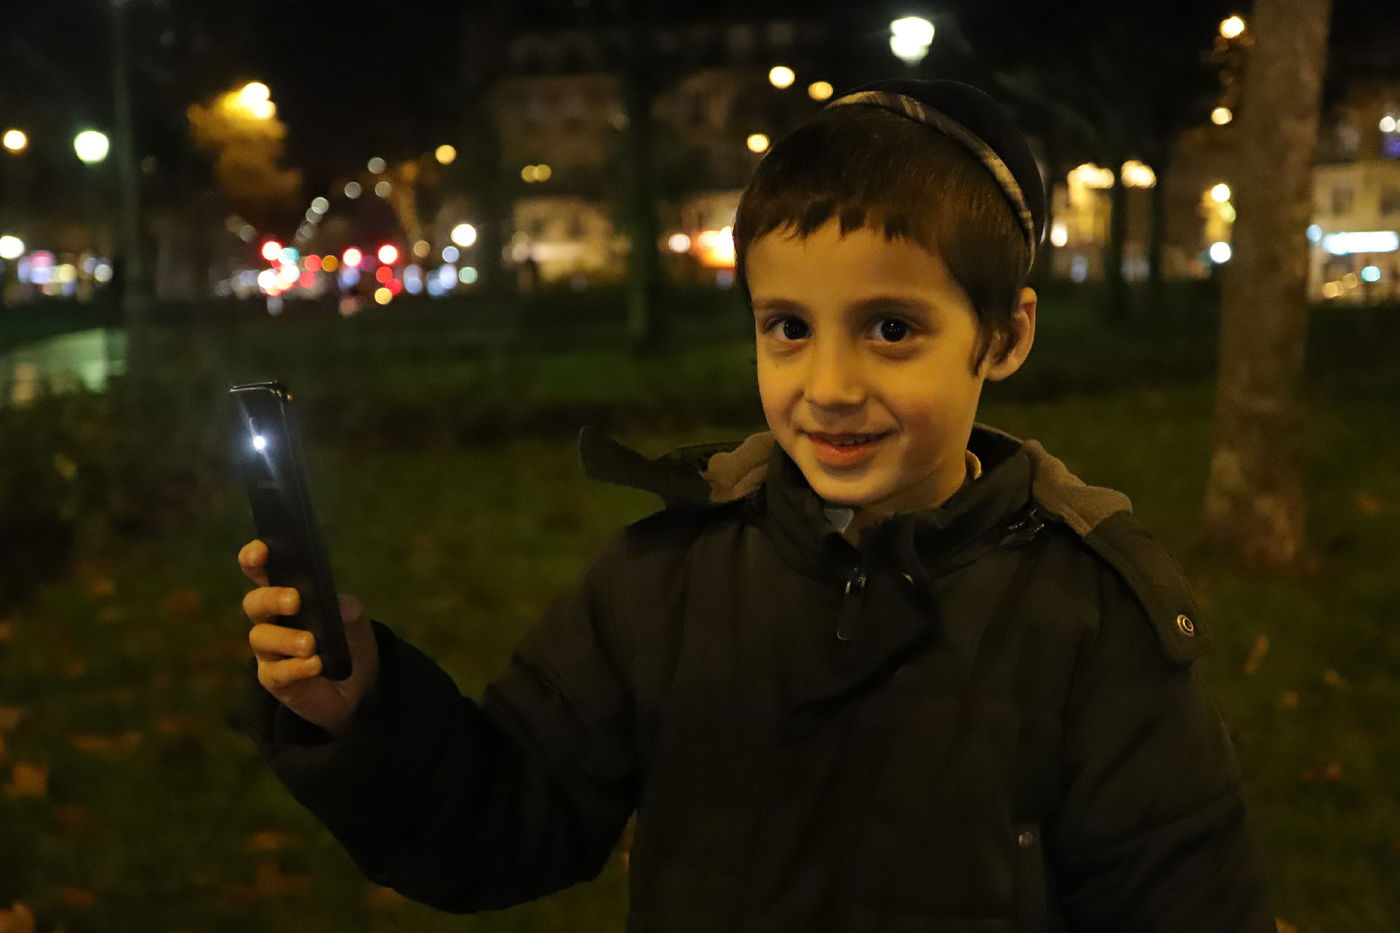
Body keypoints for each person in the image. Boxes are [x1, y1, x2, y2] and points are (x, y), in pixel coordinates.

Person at [237, 79, 1275, 930]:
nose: (826, 384)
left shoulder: (1087, 622)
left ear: (1001, 336)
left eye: (890, 329)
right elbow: (503, 819)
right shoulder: (666, 582)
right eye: (786, 326)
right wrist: (362, 715)